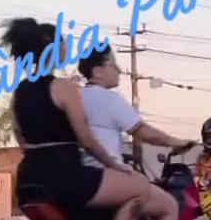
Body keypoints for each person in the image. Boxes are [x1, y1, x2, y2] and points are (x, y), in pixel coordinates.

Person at [1, 17, 187, 220]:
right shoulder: (64, 88)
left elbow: (21, 139)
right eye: (63, 43)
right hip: (65, 175)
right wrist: (114, 164)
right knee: (138, 186)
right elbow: (86, 139)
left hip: (29, 178)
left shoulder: (19, 93)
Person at [78, 44, 189, 173]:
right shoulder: (107, 98)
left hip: (83, 172)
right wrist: (177, 142)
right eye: (113, 65)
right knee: (148, 186)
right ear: (98, 72)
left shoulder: (78, 96)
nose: (119, 70)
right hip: (106, 172)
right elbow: (144, 133)